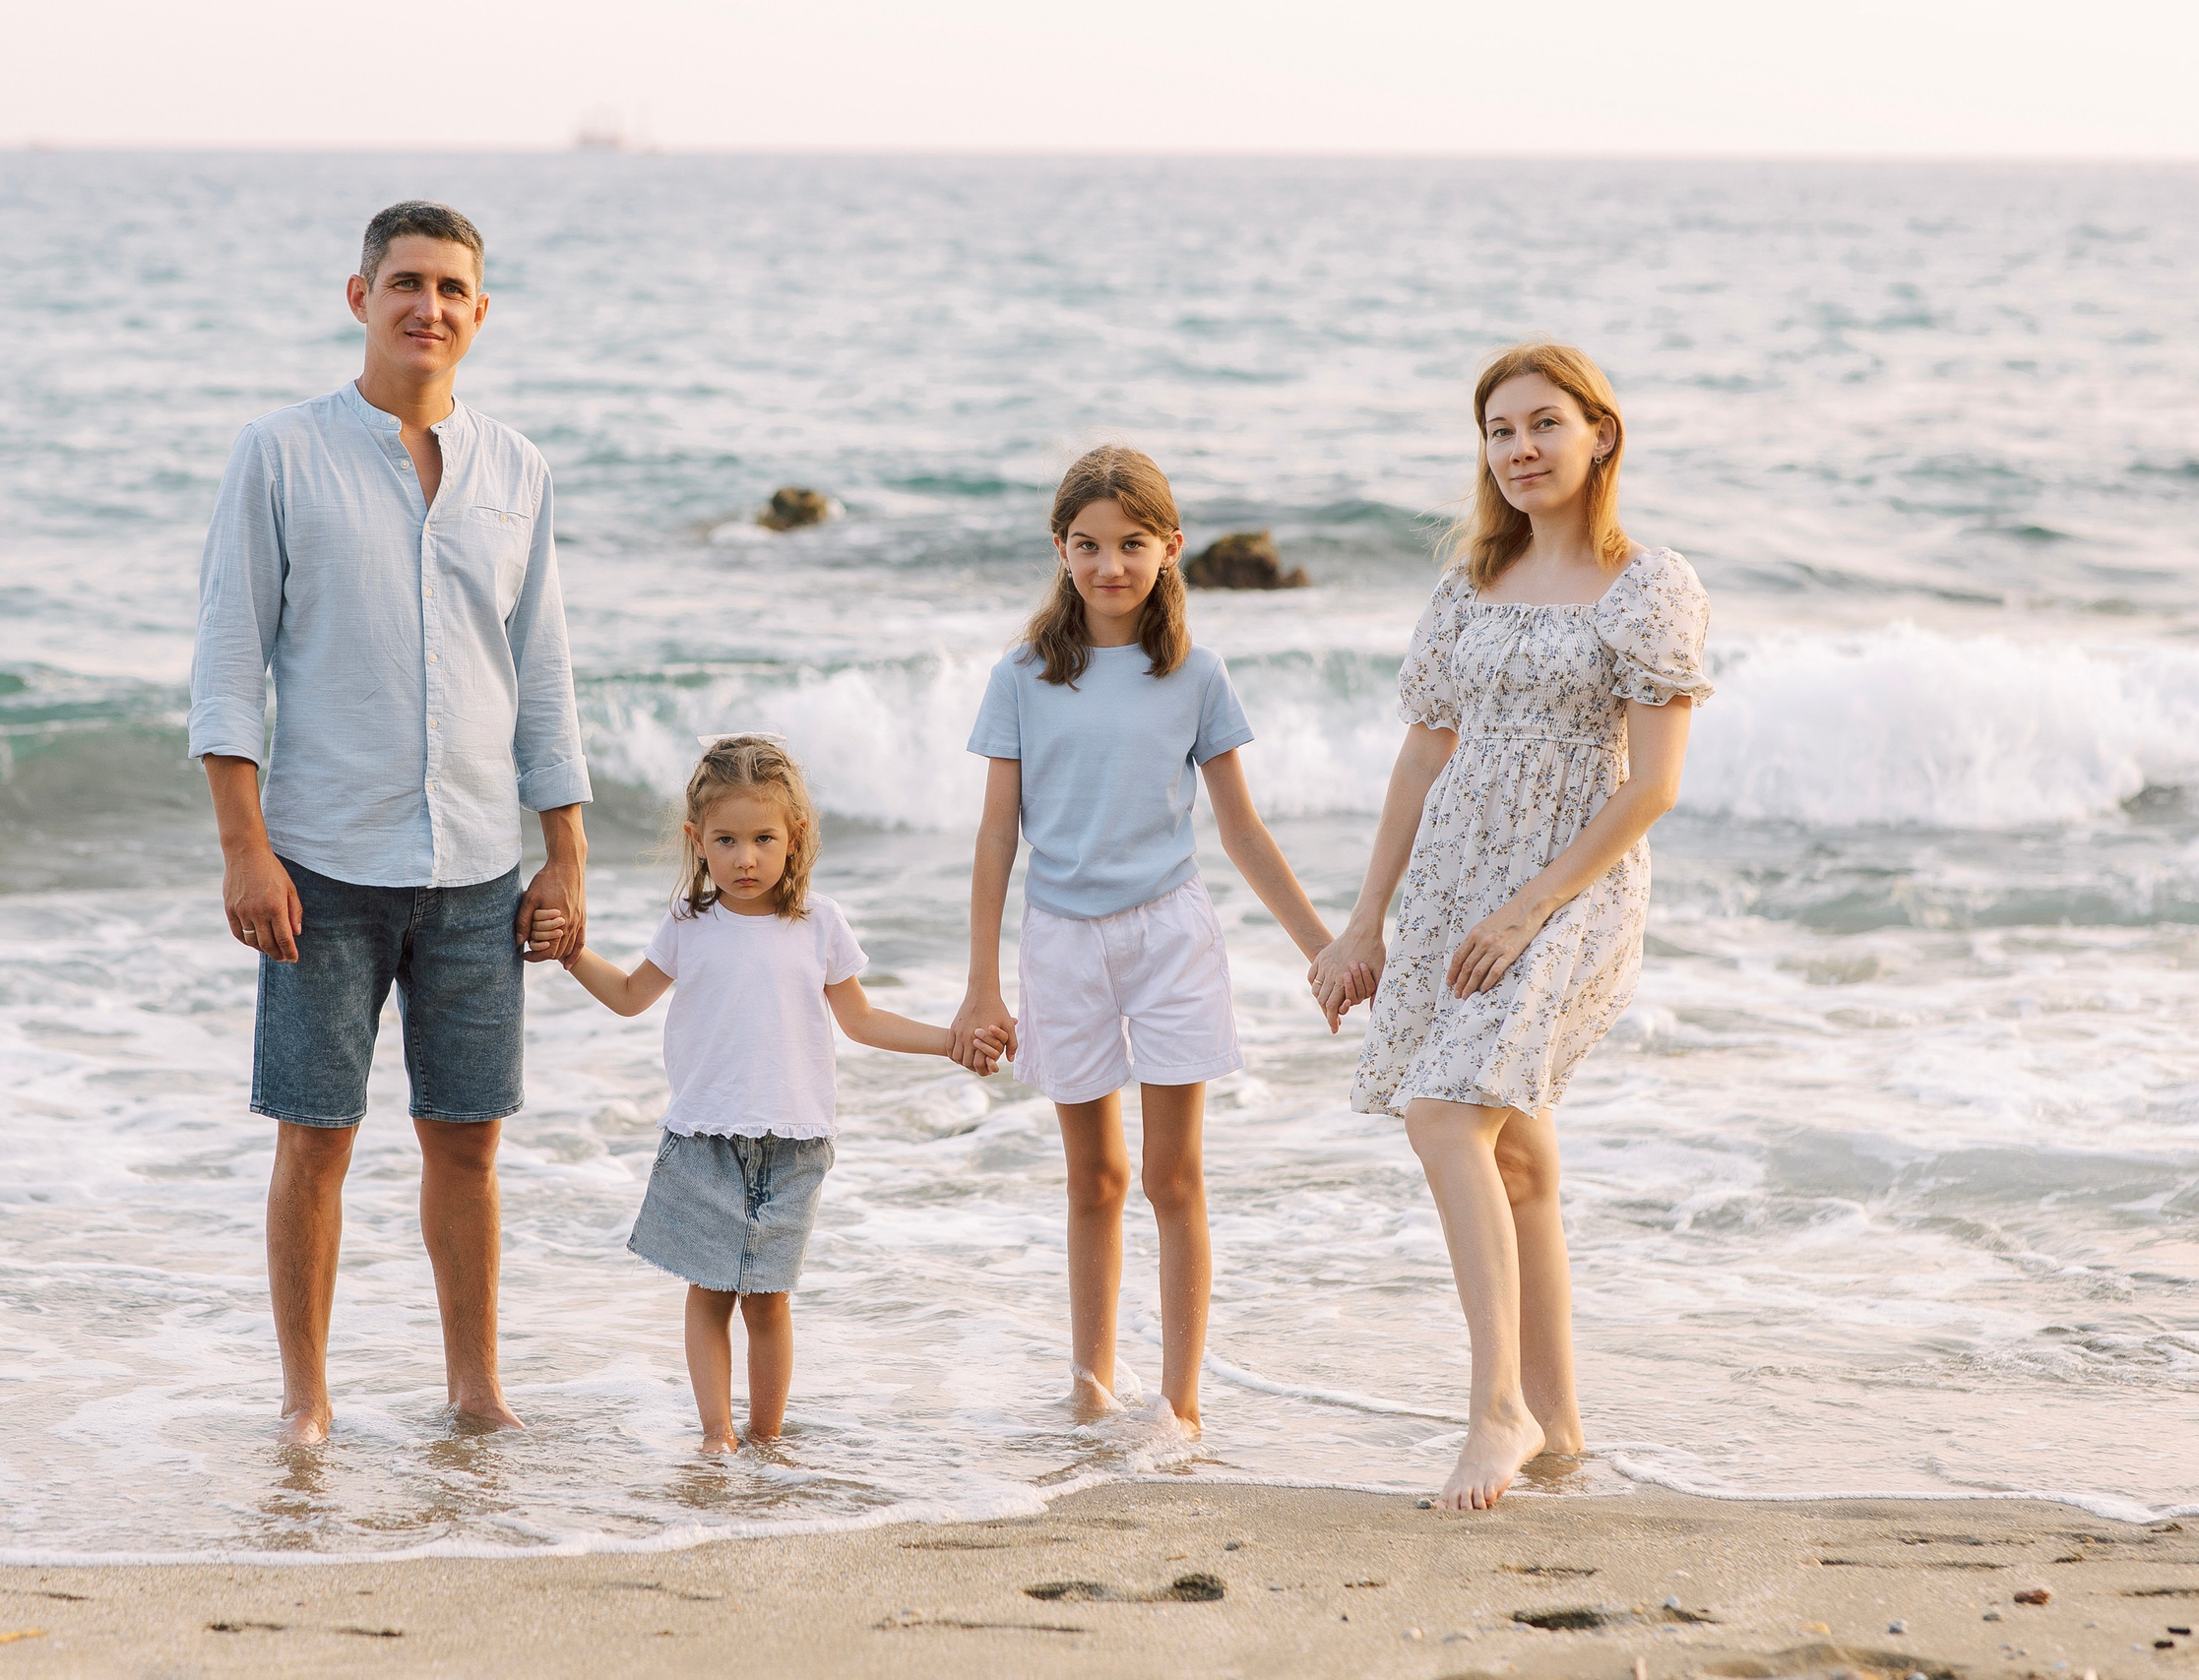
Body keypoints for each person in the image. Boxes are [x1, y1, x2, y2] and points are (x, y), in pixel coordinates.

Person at [187, 200, 591, 1447]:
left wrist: (565, 849)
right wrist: (244, 847)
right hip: (322, 864)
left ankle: (475, 1391)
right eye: (406, 282)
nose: (430, 307)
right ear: (358, 297)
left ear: (481, 312)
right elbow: (226, 661)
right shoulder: (280, 453)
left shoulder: (516, 470)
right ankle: (306, 1402)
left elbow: (543, 673)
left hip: (479, 866)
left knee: (468, 1146)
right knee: (316, 1143)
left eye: (452, 288)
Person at [1309, 342, 1712, 1510]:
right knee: (1517, 1153)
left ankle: (1497, 1413)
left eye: (1544, 424)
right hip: (1450, 888)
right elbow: (1419, 758)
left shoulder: (1650, 586)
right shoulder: (1465, 590)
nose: (1521, 449)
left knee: (1443, 1115)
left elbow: (1652, 786)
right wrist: (1363, 925)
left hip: (1568, 894)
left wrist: (1530, 906)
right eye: (1498, 430)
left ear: (1601, 435)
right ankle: (1564, 1427)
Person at [953, 446, 1335, 1438]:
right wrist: (981, 987)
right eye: (1087, 545)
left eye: (1130, 544)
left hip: (1170, 935)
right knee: (1094, 1178)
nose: (1108, 565)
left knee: (1172, 1177)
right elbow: (997, 834)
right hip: (1061, 942)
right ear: (1059, 549)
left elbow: (1241, 830)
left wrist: (1319, 946)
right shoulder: (1023, 676)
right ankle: (1090, 1384)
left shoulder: (1196, 675)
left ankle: (1180, 1404)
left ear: (1169, 549)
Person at [550, 736, 1001, 1452]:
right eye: (726, 840)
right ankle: (716, 1433)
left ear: (796, 838)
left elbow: (861, 1019)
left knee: (768, 1301)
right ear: (698, 842)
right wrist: (572, 952)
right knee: (708, 1291)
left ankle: (765, 1436)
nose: (745, 858)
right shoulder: (689, 924)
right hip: (704, 1138)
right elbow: (631, 997)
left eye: (763, 838)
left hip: (794, 1143)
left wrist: (948, 1039)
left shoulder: (817, 923)